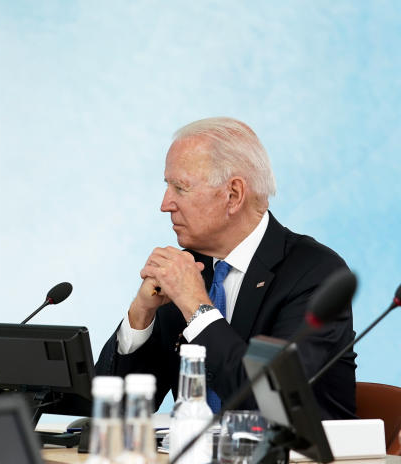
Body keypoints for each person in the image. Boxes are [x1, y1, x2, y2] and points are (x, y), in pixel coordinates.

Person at [95, 117, 356, 419]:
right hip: (193, 462)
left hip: (297, 463)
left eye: (180, 188)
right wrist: (141, 314)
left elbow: (269, 400)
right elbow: (116, 410)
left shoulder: (315, 273)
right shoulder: (193, 267)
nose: (165, 204)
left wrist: (197, 308)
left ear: (233, 194)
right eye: (167, 187)